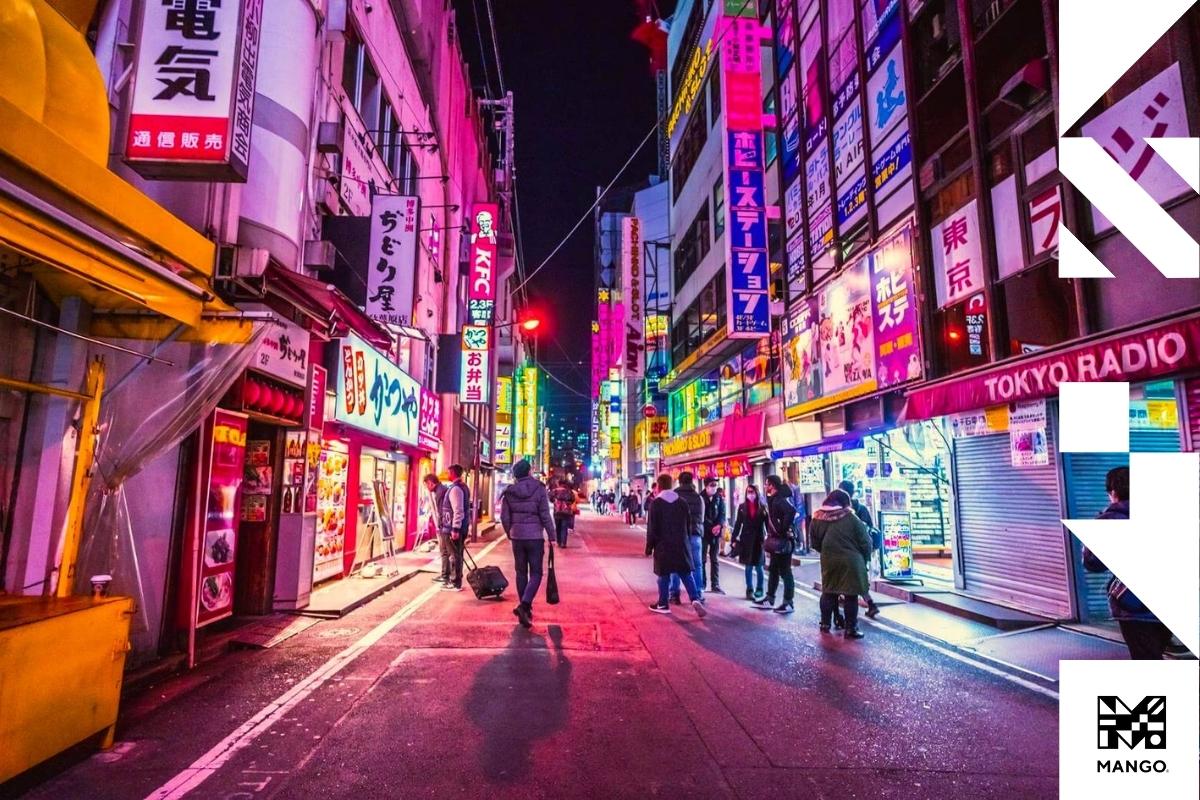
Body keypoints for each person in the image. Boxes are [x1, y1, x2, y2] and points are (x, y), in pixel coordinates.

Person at [1082, 467, 1172, 660]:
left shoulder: (1111, 521)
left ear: (1113, 492)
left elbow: (1092, 563)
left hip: (1135, 607)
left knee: (1147, 659)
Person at [500, 459, 557, 628]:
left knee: (520, 572)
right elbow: (545, 514)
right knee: (537, 573)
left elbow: (504, 517)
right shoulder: (538, 489)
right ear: (529, 471)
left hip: (517, 537)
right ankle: (525, 605)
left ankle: (525, 608)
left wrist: (510, 532)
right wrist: (552, 536)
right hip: (535, 537)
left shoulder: (509, 492)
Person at [811, 488, 872, 640]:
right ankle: (851, 628)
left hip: (829, 560)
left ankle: (825, 624)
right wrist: (865, 558)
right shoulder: (851, 518)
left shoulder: (817, 518)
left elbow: (815, 543)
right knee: (851, 595)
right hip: (852, 562)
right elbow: (865, 542)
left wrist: (826, 551)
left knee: (829, 592)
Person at [645, 473, 707, 617]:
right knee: (685, 573)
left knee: (663, 575)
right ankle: (694, 599)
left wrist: (649, 547)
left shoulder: (656, 503)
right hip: (681, 544)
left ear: (658, 487)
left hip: (663, 545)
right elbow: (688, 524)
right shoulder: (682, 502)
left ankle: (663, 603)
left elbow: (652, 528)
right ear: (671, 485)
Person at [752, 475, 797, 614]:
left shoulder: (779, 500)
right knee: (774, 570)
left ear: (772, 485)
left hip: (782, 542)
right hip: (777, 542)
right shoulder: (773, 500)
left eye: (767, 484)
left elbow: (791, 511)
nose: (765, 486)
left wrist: (781, 529)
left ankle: (788, 602)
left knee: (785, 571)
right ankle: (770, 598)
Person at [838, 480, 882, 619]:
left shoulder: (841, 510)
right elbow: (870, 529)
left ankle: (847, 615)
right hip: (861, 552)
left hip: (846, 551)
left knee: (846, 581)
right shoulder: (861, 509)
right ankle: (870, 604)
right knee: (859, 580)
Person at [668, 472, 706, 605]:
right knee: (697, 565)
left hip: (678, 535)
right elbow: (701, 518)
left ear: (679, 482)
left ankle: (674, 594)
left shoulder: (673, 496)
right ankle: (698, 594)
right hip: (695, 534)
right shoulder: (698, 497)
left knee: (675, 564)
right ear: (692, 481)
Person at [730, 484, 767, 600]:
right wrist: (734, 538)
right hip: (746, 539)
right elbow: (738, 524)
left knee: (760, 566)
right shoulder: (742, 507)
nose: (750, 494)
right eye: (748, 492)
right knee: (748, 566)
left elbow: (767, 524)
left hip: (759, 539)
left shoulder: (763, 507)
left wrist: (770, 538)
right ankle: (749, 589)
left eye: (752, 492)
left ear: (757, 493)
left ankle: (760, 589)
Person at [440, 465, 470, 592]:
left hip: (452, 528)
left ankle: (455, 581)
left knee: (454, 555)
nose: (447, 474)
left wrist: (455, 529)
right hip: (457, 527)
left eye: (448, 472)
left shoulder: (456, 489)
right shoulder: (462, 487)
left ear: (453, 473)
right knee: (457, 554)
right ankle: (456, 580)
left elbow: (458, 510)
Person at [424, 474, 451, 584]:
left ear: (431, 483)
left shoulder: (440, 492)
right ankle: (447, 575)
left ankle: (446, 576)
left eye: (426, 485)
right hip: (447, 525)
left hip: (445, 526)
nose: (427, 487)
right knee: (447, 552)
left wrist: (440, 526)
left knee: (444, 551)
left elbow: (441, 512)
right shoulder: (443, 489)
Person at [701, 478, 727, 594]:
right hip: (704, 533)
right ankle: (702, 583)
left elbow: (722, 513)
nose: (714, 488)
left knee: (715, 559)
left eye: (715, 485)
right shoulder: (700, 498)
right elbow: (700, 516)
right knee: (702, 559)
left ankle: (715, 584)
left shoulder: (718, 498)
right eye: (712, 485)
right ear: (706, 486)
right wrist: (711, 527)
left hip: (715, 533)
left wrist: (719, 525)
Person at [551, 479, 578, 548]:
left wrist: (556, 502)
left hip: (557, 511)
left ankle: (559, 541)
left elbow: (550, 499)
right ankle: (563, 543)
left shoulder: (555, 491)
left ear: (558, 483)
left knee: (558, 527)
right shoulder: (568, 491)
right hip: (566, 512)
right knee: (564, 527)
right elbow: (572, 499)